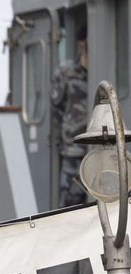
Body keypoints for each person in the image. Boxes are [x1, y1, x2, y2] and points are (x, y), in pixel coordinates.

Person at [50, 24, 89, 207]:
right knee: (70, 208)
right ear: (82, 42)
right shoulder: (66, 72)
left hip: (101, 151)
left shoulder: (109, 70)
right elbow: (56, 110)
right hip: (73, 153)